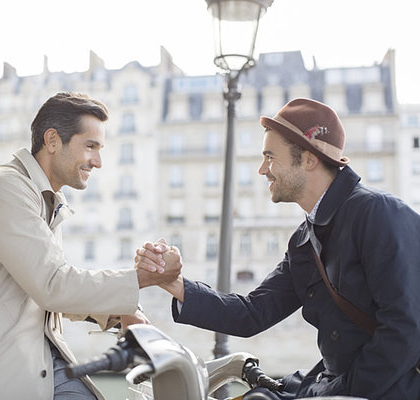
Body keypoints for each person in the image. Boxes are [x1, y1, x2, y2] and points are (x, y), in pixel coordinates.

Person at [136, 98, 420, 399]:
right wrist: (173, 283)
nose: (262, 169)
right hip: (337, 384)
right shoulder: (305, 238)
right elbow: (253, 313)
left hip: (387, 389)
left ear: (309, 159)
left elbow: (405, 329)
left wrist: (338, 392)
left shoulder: (378, 213)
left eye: (270, 157)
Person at [0, 92, 180, 400]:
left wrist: (124, 311)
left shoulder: (43, 198)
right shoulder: (3, 189)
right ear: (52, 141)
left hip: (33, 363)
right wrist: (145, 277)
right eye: (90, 146)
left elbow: (51, 286)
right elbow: (53, 285)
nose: (98, 162)